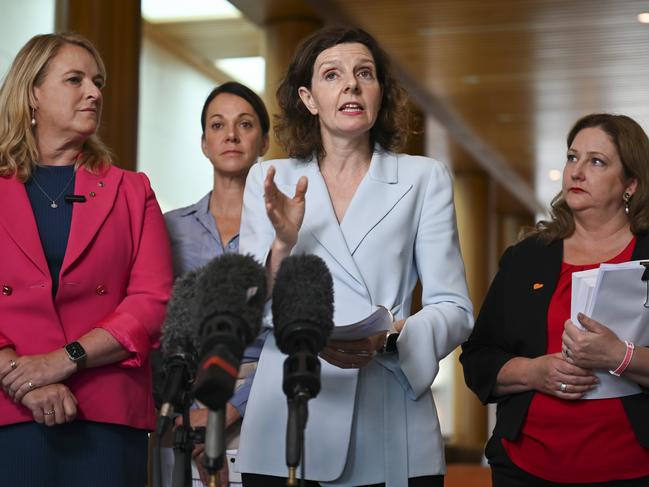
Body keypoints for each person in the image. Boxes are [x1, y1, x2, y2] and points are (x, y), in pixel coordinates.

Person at [237, 26, 474, 487]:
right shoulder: (270, 178)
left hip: (387, 412)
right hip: (289, 411)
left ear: (380, 93)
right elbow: (248, 308)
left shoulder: (422, 177)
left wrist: (389, 339)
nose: (351, 84)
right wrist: (283, 244)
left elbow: (456, 309)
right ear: (308, 98)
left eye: (365, 73)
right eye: (333, 74)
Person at [0, 33, 173, 487]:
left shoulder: (132, 190)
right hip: (7, 406)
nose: (94, 92)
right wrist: (23, 377)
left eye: (98, 82)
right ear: (32, 92)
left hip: (106, 411)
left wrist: (63, 360)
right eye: (75, 79)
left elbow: (153, 303)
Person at [460, 113, 649, 486]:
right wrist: (534, 372)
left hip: (632, 470)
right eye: (572, 157)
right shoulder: (526, 257)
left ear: (630, 184)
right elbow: (478, 359)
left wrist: (618, 356)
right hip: (524, 469)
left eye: (597, 161)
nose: (577, 172)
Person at [161, 82, 270, 487]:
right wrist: (181, 414)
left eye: (245, 124)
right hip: (183, 409)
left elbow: (291, 337)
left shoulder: (285, 230)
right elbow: (158, 326)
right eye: (217, 125)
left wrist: (230, 410)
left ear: (263, 141)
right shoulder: (169, 229)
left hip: (264, 403)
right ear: (204, 143)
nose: (231, 135)